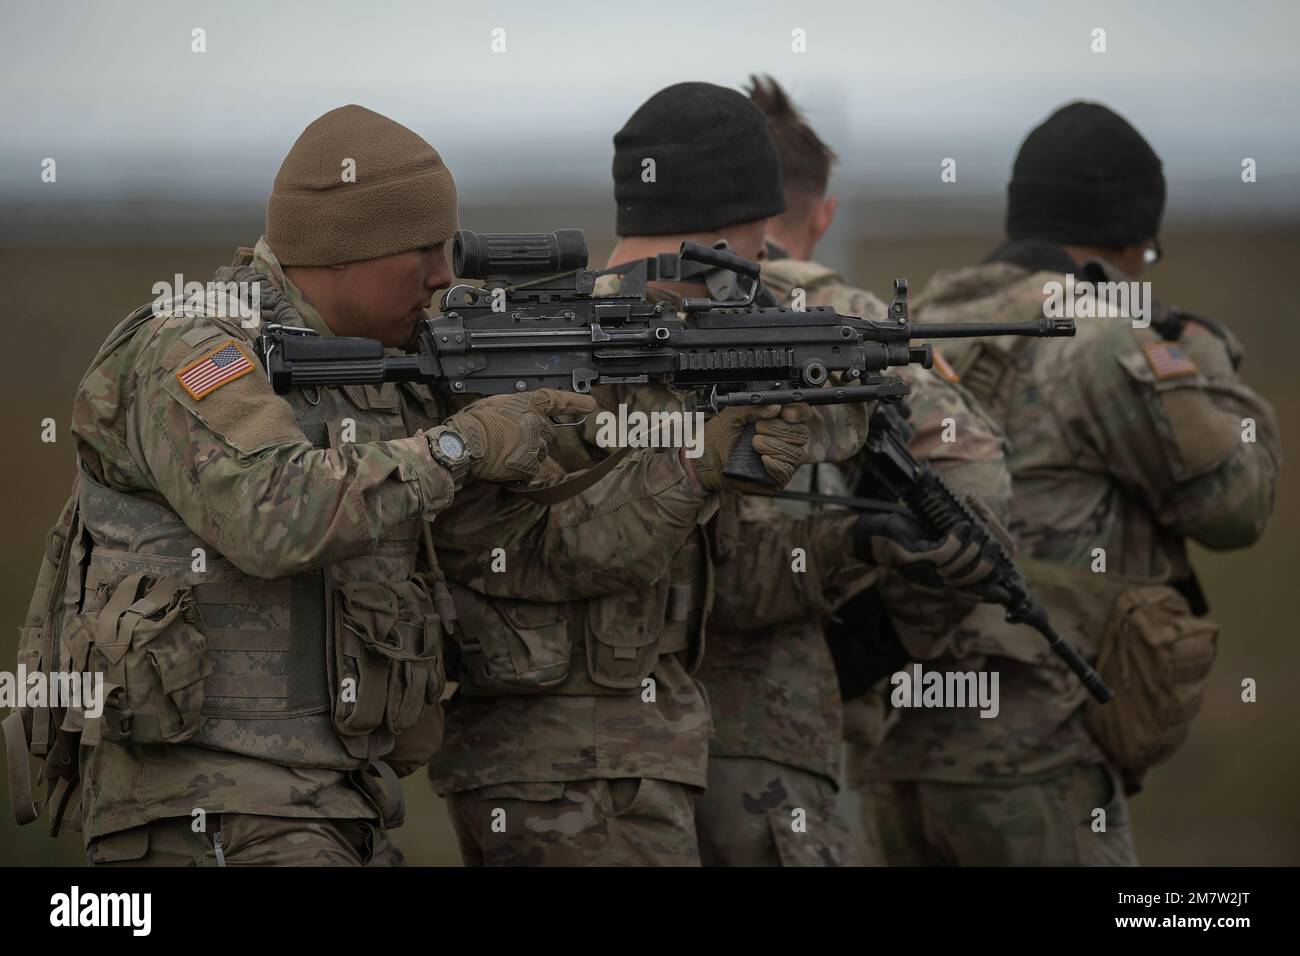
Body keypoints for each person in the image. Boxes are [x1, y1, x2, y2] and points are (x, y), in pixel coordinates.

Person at [7, 103, 608, 866]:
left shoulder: (383, 365)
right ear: (342, 250)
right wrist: (461, 443)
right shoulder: (191, 348)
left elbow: (499, 536)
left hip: (335, 804)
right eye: (422, 248)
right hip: (210, 810)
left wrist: (617, 435)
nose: (443, 275)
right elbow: (271, 514)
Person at [850, 101, 1282, 865]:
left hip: (895, 754)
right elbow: (1236, 504)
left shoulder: (921, 320)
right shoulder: (1099, 337)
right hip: (1035, 758)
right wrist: (1210, 362)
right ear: (1129, 239)